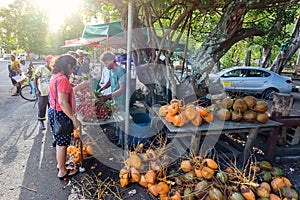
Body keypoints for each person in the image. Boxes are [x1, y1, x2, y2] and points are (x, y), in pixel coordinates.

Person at [48, 54, 89, 180]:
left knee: (60, 141)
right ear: (68, 66)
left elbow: (62, 95)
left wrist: (79, 86)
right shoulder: (62, 79)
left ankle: (61, 165)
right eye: (73, 68)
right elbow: (63, 102)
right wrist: (74, 119)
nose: (73, 71)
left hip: (54, 112)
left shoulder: (55, 76)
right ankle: (62, 171)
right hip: (61, 114)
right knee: (62, 144)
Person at [98, 51, 126, 147]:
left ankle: (123, 143)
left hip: (122, 100)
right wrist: (101, 89)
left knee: (122, 121)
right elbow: (110, 81)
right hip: (114, 99)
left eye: (106, 63)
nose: (105, 66)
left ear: (111, 60)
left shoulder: (121, 71)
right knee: (116, 119)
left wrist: (106, 97)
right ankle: (118, 137)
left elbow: (122, 89)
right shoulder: (111, 70)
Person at [34, 55, 53, 130]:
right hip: (42, 92)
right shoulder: (41, 68)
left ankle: (50, 120)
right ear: (47, 61)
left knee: (51, 107)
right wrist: (36, 90)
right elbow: (35, 79)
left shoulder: (53, 69)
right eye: (50, 61)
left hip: (52, 92)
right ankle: (41, 122)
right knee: (42, 107)